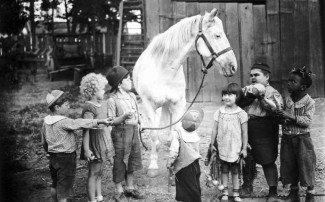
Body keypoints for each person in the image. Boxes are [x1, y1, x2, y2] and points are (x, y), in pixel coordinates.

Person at [41, 90, 112, 202]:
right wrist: (98, 121)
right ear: (58, 107)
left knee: (55, 183)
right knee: (64, 186)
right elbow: (80, 123)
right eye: (66, 105)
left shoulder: (46, 122)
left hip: (53, 157)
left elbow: (44, 140)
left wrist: (47, 151)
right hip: (66, 158)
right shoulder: (64, 121)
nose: (69, 106)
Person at [238, 56, 283, 202]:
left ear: (267, 76)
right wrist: (246, 96)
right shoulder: (247, 89)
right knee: (247, 157)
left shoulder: (273, 92)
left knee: (267, 160)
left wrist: (261, 96)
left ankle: (273, 191)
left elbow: (276, 111)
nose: (252, 78)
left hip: (265, 128)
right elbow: (237, 104)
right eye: (251, 75)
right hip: (247, 126)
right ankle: (247, 185)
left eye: (256, 75)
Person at [276, 67, 316, 202]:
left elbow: (307, 121)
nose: (288, 83)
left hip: (302, 140)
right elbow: (283, 119)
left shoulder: (309, 102)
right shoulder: (287, 99)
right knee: (289, 165)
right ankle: (294, 194)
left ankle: (310, 194)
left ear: (302, 86)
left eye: (293, 82)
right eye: (288, 80)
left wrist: (290, 116)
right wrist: (281, 118)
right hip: (288, 138)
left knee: (306, 165)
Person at [106, 66, 145, 201]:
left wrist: (140, 121)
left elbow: (138, 112)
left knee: (132, 159)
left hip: (133, 131)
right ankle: (119, 190)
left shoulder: (132, 96)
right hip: (120, 134)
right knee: (120, 161)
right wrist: (122, 117)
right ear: (119, 84)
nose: (131, 81)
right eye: (127, 79)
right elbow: (110, 121)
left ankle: (130, 187)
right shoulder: (113, 100)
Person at [79, 73, 115, 202]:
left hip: (101, 142)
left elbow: (103, 124)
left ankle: (99, 196)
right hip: (93, 143)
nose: (104, 91)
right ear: (94, 91)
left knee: (99, 172)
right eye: (102, 89)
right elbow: (86, 130)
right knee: (93, 173)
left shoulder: (101, 105)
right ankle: (91, 199)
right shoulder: (89, 108)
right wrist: (87, 150)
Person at [210, 83, 248, 202]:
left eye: (230, 94)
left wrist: (244, 148)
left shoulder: (241, 113)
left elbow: (244, 133)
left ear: (237, 96)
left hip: (235, 147)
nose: (226, 97)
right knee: (224, 169)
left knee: (236, 171)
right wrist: (212, 144)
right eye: (225, 94)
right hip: (223, 146)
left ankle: (236, 193)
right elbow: (214, 129)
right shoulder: (219, 112)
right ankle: (225, 192)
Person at [167, 108, 204, 202]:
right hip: (195, 165)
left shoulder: (177, 133)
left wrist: (169, 162)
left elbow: (174, 152)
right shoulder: (195, 133)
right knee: (194, 185)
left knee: (190, 189)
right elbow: (197, 151)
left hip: (184, 167)